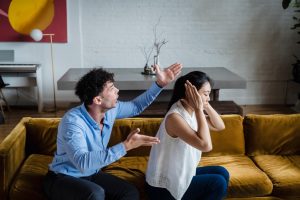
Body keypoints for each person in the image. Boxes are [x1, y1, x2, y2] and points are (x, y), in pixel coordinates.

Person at [43, 63, 182, 200]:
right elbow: (83, 162)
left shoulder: (110, 111)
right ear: (97, 99)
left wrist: (159, 84)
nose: (117, 90)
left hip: (92, 173)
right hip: (62, 178)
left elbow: (135, 106)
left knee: (130, 192)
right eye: (111, 88)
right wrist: (126, 146)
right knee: (95, 193)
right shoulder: (73, 122)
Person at [145, 71, 229, 200]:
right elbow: (205, 146)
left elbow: (219, 126)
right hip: (162, 188)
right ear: (190, 94)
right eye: (206, 94)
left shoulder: (191, 111)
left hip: (178, 174)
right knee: (217, 182)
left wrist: (204, 105)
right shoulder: (175, 117)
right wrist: (199, 108)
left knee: (222, 172)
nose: (209, 98)